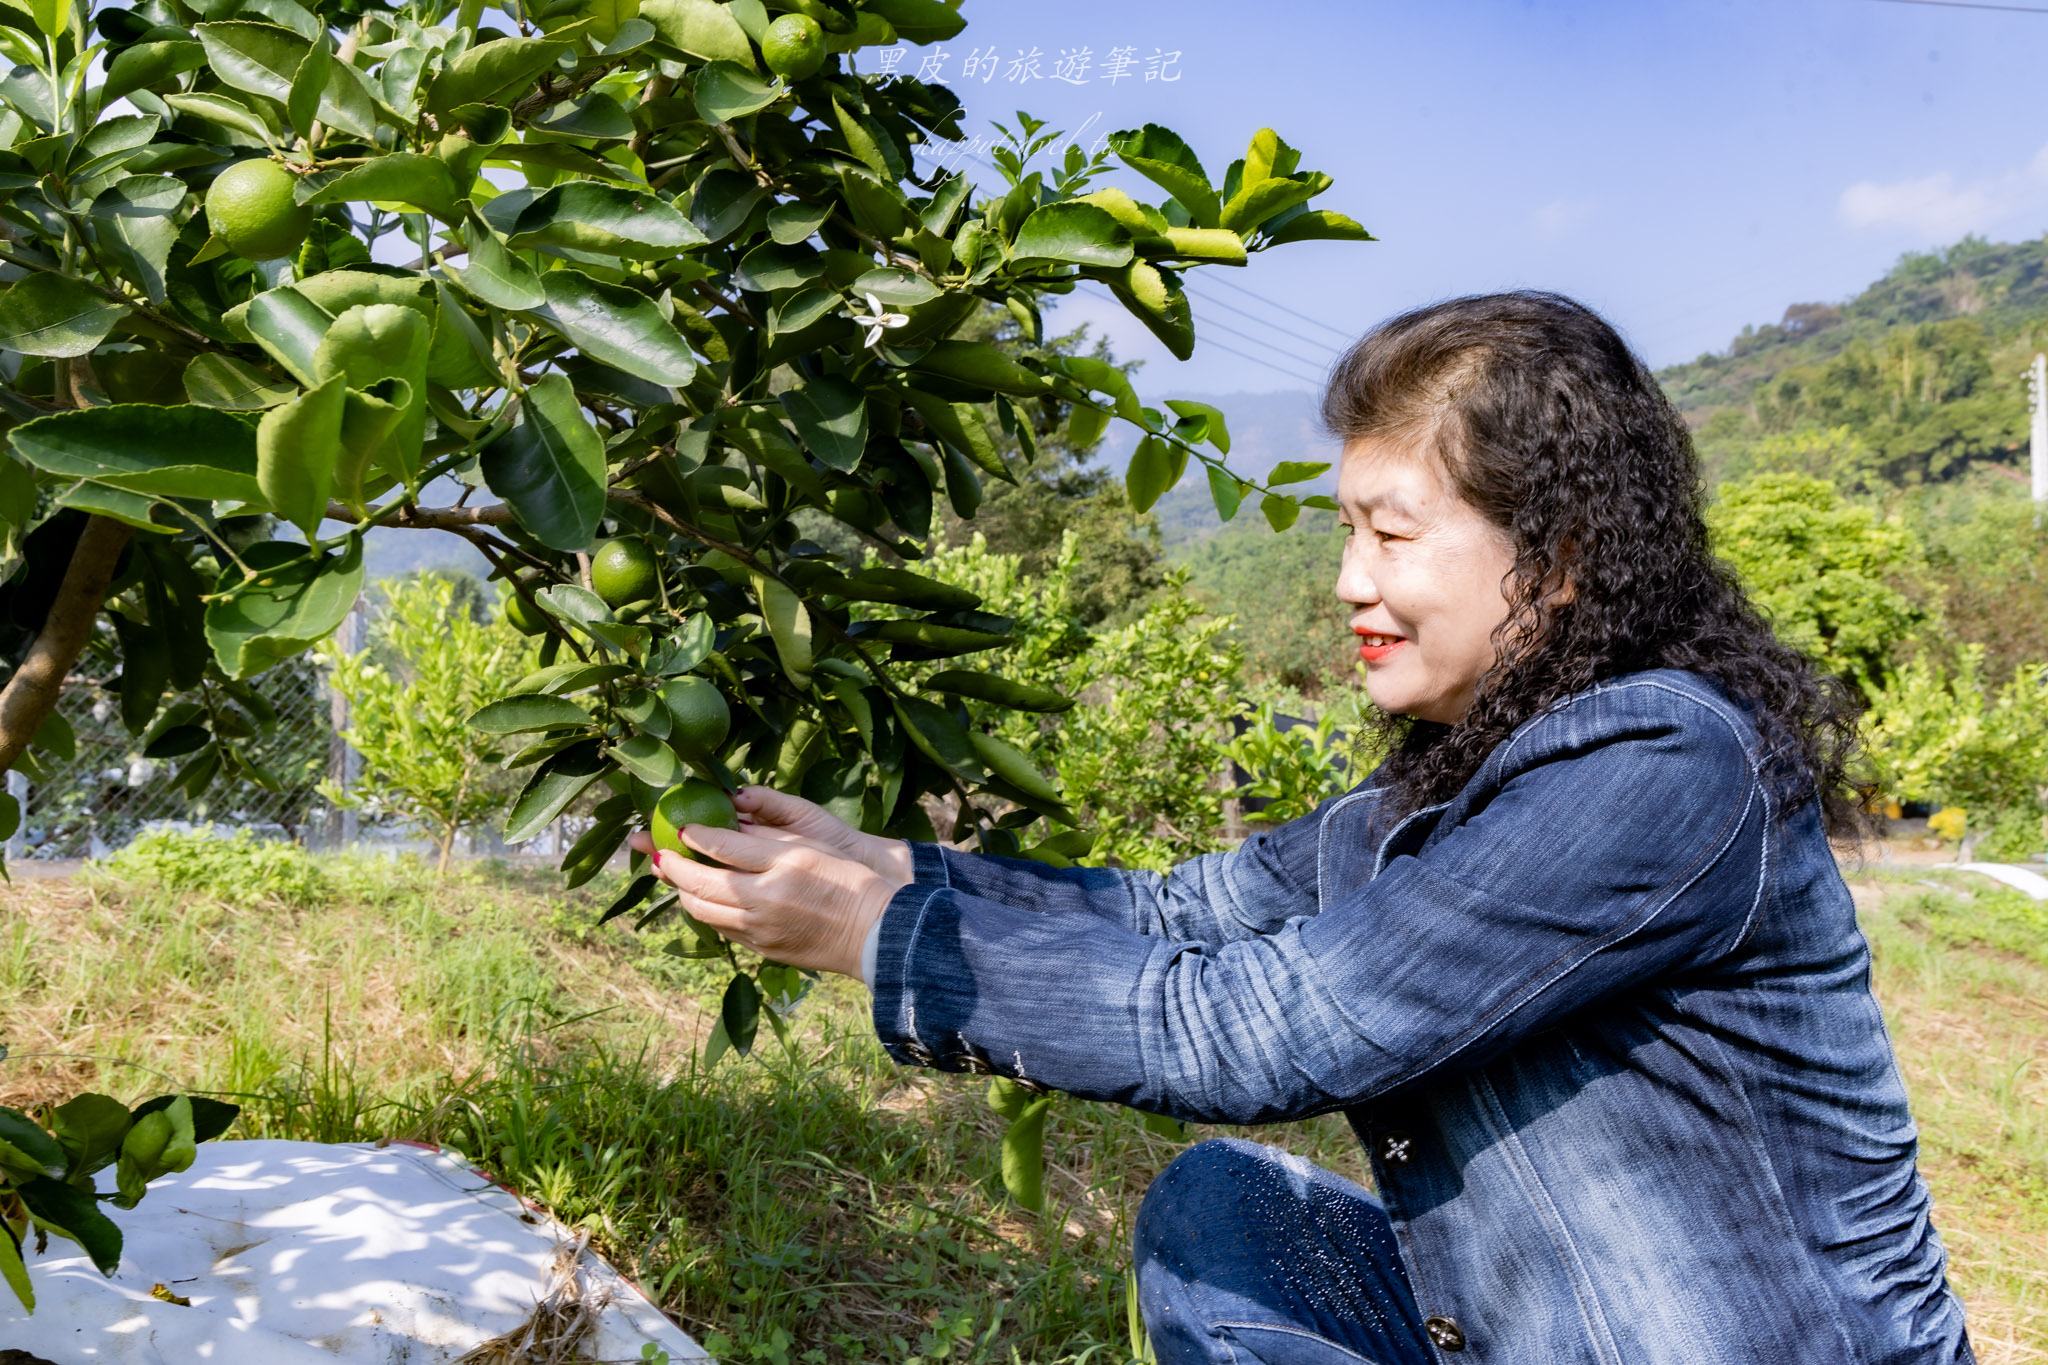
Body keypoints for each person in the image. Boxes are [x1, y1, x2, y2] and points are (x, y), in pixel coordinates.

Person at [625, 291, 1975, 1364]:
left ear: (1559, 559)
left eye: (1391, 535)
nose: (1348, 582)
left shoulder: (1663, 761)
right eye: (1346, 530)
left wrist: (880, 937)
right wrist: (890, 865)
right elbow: (1184, 911)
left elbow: (1266, 1026)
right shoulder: (1466, 766)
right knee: (1228, 1214)